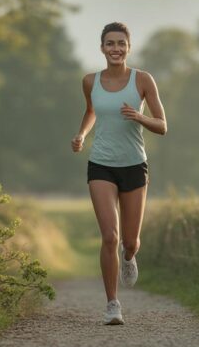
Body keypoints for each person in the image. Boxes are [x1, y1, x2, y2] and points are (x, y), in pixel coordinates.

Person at [71, 22, 167, 325]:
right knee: (109, 237)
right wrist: (83, 134)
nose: (116, 49)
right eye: (110, 43)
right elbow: (91, 111)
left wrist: (139, 116)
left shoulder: (143, 80)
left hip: (134, 165)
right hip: (101, 164)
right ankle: (112, 304)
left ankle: (129, 257)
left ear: (129, 47)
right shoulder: (90, 81)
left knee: (130, 241)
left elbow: (162, 125)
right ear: (101, 48)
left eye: (121, 44)